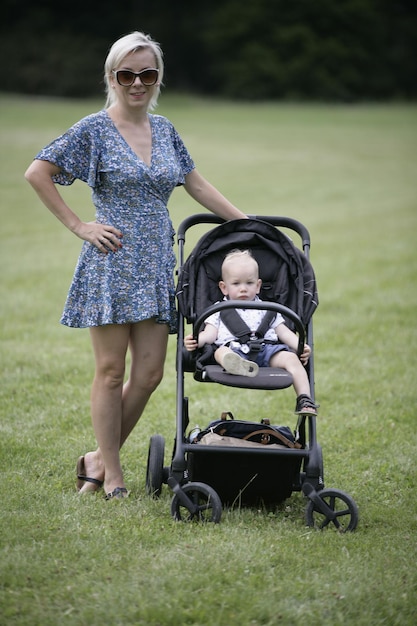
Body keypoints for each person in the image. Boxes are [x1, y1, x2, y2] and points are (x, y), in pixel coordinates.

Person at [24, 31, 247, 500]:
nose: (138, 82)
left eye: (147, 73)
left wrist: (251, 223)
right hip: (112, 260)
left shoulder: (165, 130)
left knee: (149, 375)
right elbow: (38, 172)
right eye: (127, 74)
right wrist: (80, 225)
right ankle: (114, 475)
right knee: (110, 370)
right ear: (112, 77)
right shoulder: (93, 129)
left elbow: (196, 184)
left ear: (158, 77)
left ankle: (94, 459)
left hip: (154, 263)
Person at [184, 250, 318, 415]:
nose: (243, 289)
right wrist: (197, 340)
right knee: (220, 351)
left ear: (258, 285)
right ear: (223, 287)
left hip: (266, 351)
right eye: (236, 284)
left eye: (249, 283)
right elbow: (210, 334)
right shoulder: (218, 310)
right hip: (233, 349)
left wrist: (300, 346)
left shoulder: (269, 309)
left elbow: (284, 333)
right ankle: (235, 364)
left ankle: (305, 399)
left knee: (290, 358)